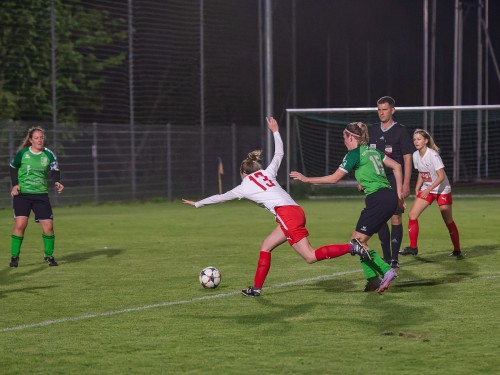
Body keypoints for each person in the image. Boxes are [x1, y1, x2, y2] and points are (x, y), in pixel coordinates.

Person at [183, 117, 370, 297]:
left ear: (243, 173)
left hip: (286, 214)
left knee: (310, 256)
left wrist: (198, 203)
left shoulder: (244, 186)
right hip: (296, 210)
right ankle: (256, 289)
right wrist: (276, 132)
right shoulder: (267, 172)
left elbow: (221, 197)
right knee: (266, 246)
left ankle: (351, 247)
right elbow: (279, 153)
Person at [290, 122, 405, 293]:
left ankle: (386, 270)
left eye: (344, 137)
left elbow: (334, 179)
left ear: (351, 137)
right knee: (358, 241)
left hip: (378, 199)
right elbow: (397, 166)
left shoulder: (353, 154)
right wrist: (399, 193)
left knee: (356, 242)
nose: (343, 141)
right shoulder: (373, 150)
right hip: (388, 197)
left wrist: (307, 179)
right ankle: (372, 280)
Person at [400, 129, 463, 259]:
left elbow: (441, 176)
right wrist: (418, 187)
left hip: (442, 190)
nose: (416, 141)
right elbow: (422, 173)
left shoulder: (433, 155)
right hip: (428, 188)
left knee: (448, 220)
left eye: (419, 139)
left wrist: (427, 190)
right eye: (414, 139)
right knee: (412, 215)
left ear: (426, 141)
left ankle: (457, 250)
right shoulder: (415, 155)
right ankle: (413, 247)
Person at [368, 96, 414, 269]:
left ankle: (394, 258)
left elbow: (407, 159)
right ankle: (386, 257)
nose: (381, 112)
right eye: (379, 109)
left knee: (395, 217)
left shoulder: (400, 131)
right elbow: (365, 155)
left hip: (395, 179)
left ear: (392, 110)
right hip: (377, 181)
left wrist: (406, 183)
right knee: (380, 219)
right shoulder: (372, 130)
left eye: (385, 109)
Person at [9, 126, 64, 268]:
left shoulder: (49, 154)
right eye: (36, 138)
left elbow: (55, 169)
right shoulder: (23, 154)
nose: (40, 140)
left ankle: (49, 256)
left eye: (41, 137)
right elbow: (13, 167)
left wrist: (57, 181)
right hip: (23, 195)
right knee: (20, 224)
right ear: (30, 140)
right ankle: (14, 257)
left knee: (49, 227)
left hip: (40, 195)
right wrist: (15, 185)